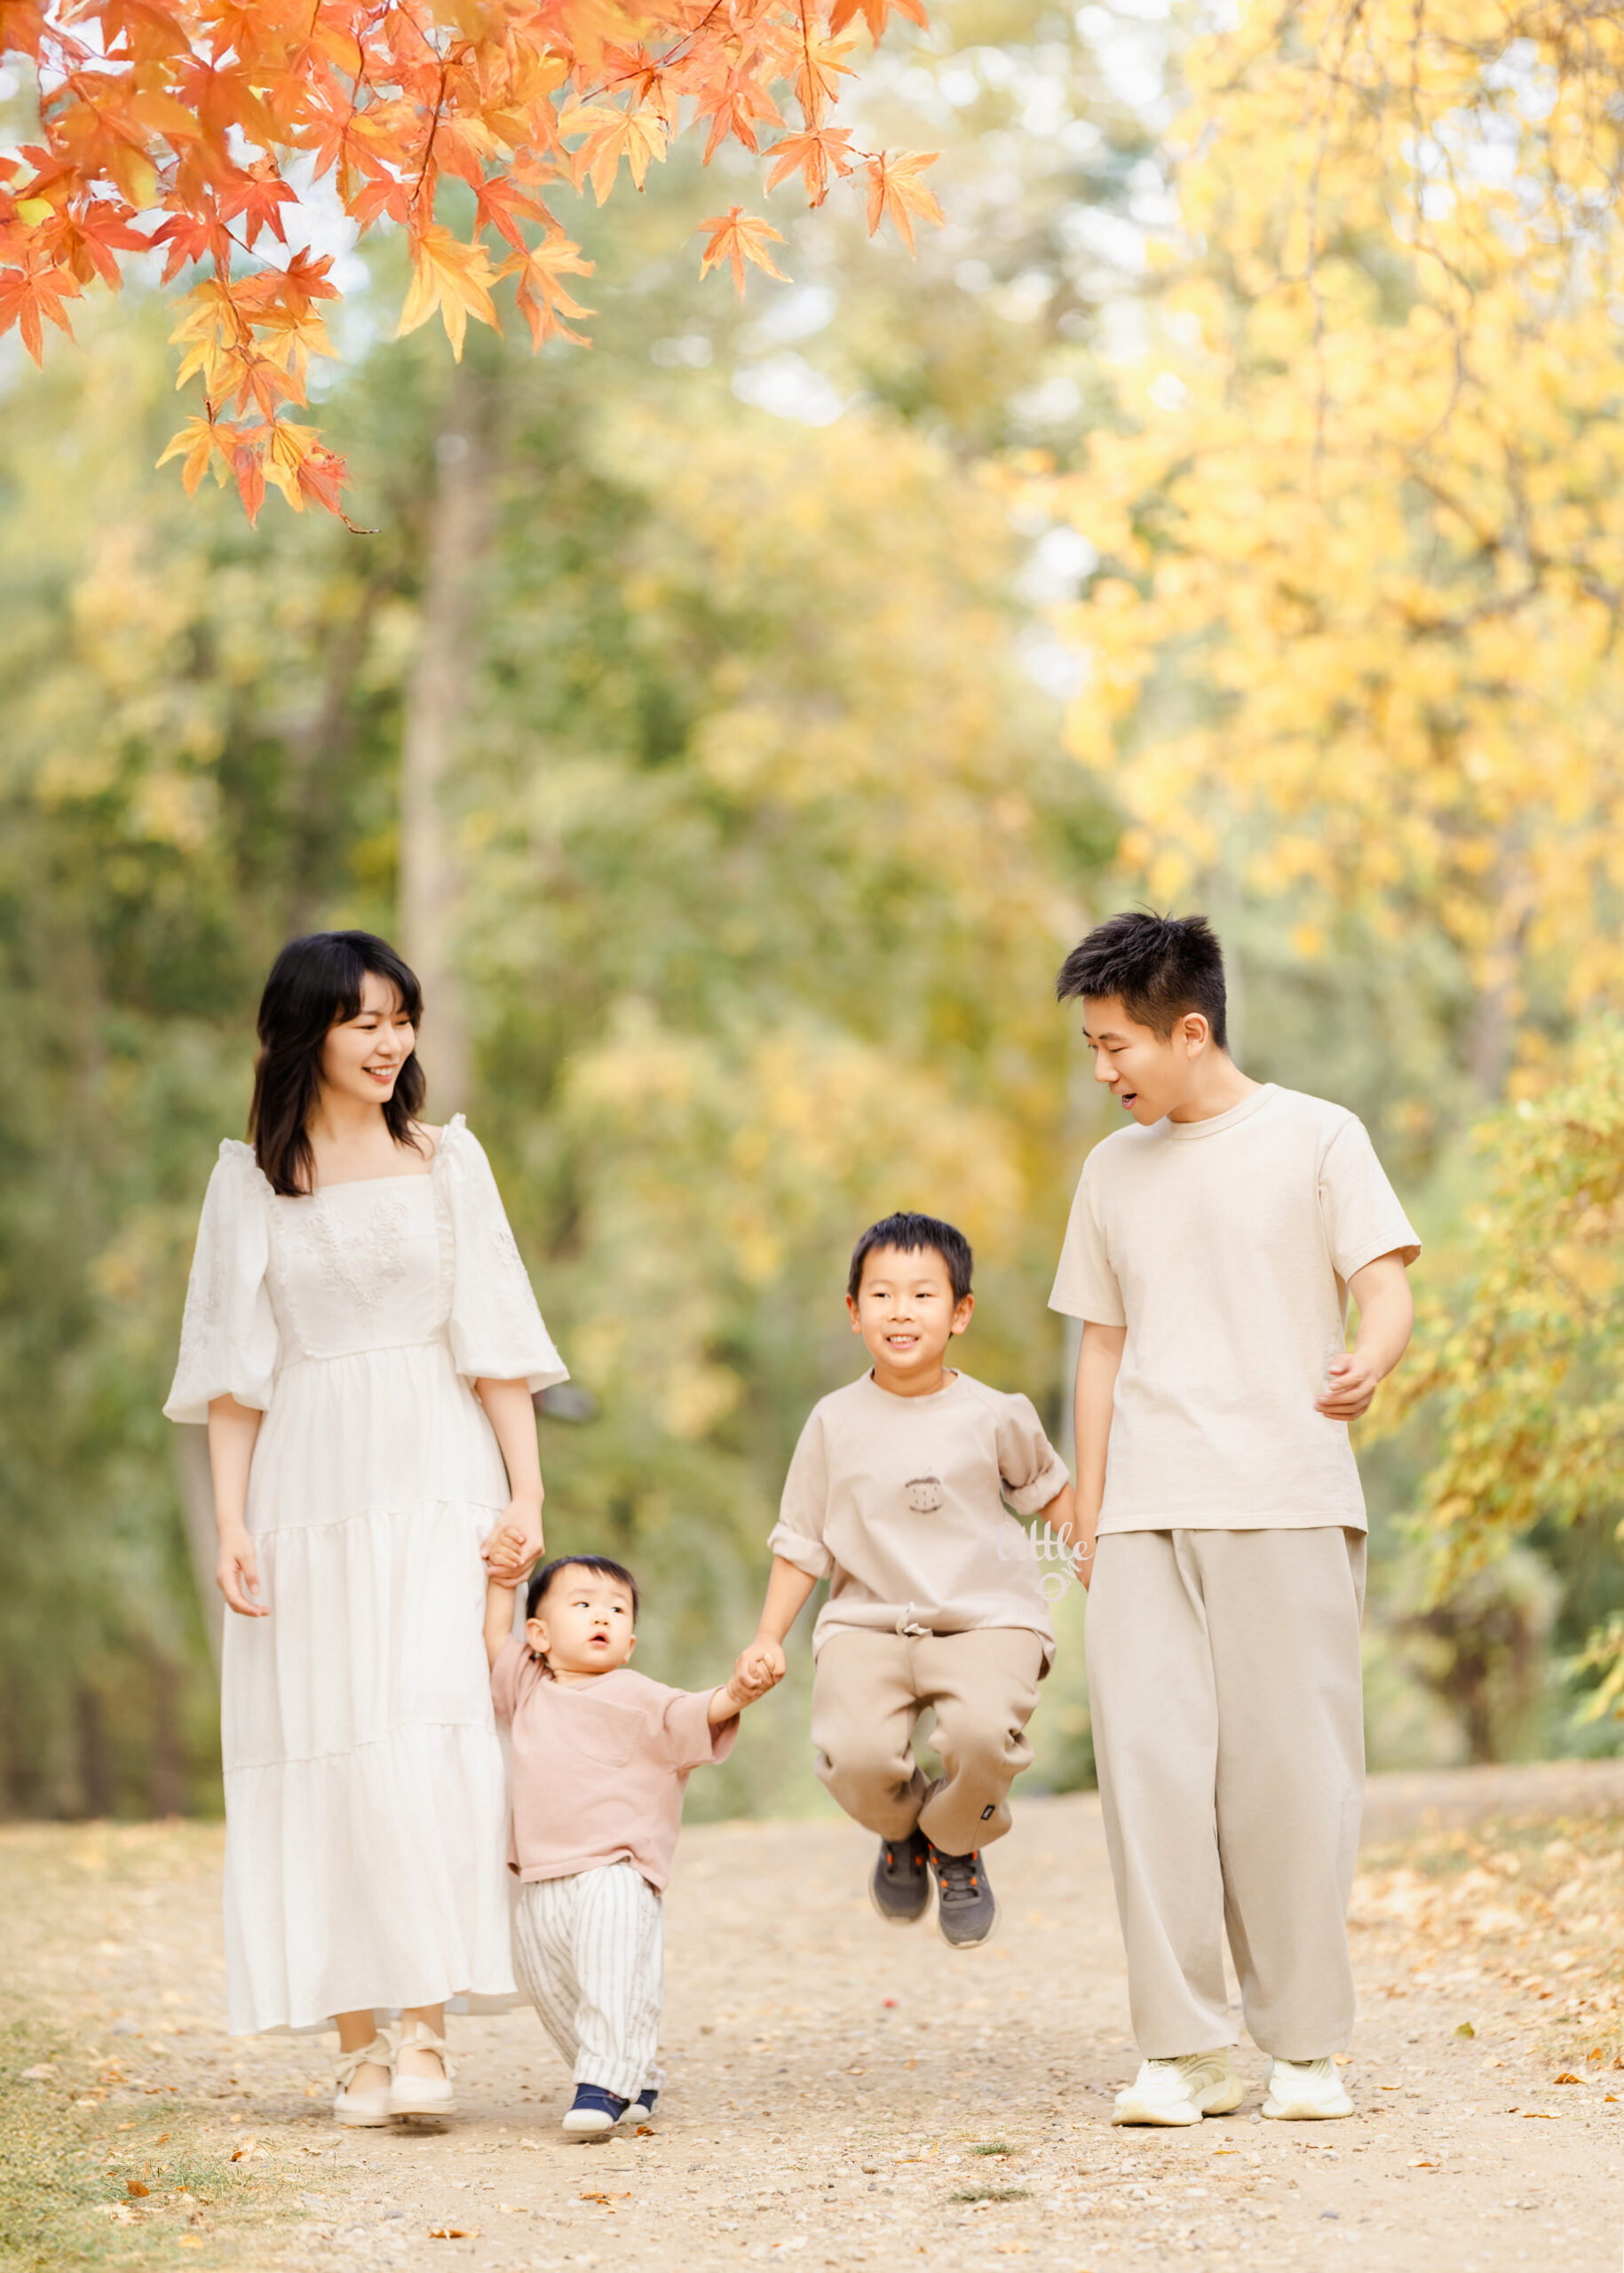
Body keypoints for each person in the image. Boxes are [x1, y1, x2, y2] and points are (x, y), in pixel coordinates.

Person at [164, 930, 566, 2126]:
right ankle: (356, 2046)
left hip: (436, 1470)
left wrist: (524, 1494)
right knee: (328, 1736)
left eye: (402, 1019)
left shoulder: (449, 1164)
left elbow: (497, 1343)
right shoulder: (249, 1183)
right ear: (306, 1033)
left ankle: (428, 2029)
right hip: (307, 1488)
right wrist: (234, 1520)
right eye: (364, 1022)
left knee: (426, 1732)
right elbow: (235, 1379)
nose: (391, 1043)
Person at [1050, 912, 1419, 2127]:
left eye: (1114, 1047)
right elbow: (1098, 1349)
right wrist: (1088, 1510)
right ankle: (1182, 2051)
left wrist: (1367, 1359)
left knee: (1290, 1779)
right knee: (1151, 1777)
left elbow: (1383, 1280)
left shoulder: (1317, 1139)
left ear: (1188, 1030)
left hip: (1286, 1500)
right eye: (1094, 1048)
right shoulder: (1110, 1173)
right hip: (1147, 1510)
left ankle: (1306, 2050)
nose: (1103, 1071)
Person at [737, 1211, 1075, 1949]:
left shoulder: (995, 1415)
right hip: (869, 1623)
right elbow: (801, 1541)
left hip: (988, 1620)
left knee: (985, 1736)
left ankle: (954, 1841)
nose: (901, 1311)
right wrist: (767, 1635)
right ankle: (900, 1832)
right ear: (854, 1313)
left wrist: (1107, 1574)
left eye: (923, 1295)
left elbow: (1055, 1500)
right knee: (854, 1758)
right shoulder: (832, 1422)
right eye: (881, 1295)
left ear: (960, 1313)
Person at [484, 1551, 777, 2134]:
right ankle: (633, 2072)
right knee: (547, 1987)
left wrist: (739, 1692)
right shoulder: (526, 1688)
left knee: (612, 1974)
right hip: (540, 1875)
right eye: (584, 1605)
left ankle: (602, 2085)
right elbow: (495, 1633)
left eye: (617, 1610)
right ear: (538, 1634)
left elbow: (699, 1710)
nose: (602, 1616)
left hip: (616, 1869)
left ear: (629, 1643)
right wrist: (502, 1578)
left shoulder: (636, 1693)